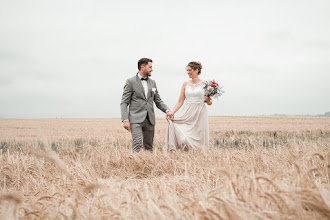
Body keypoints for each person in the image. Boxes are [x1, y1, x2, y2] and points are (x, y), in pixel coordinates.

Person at [120, 58, 173, 152]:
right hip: (135, 118)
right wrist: (125, 119)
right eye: (150, 67)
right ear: (142, 67)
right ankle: (132, 164)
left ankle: (148, 165)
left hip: (150, 119)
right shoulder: (130, 82)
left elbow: (158, 100)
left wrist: (167, 110)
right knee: (137, 143)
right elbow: (124, 102)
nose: (152, 69)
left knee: (149, 147)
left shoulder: (152, 82)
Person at [164, 61, 212, 151]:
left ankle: (199, 157)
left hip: (199, 112)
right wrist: (172, 112)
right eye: (187, 70)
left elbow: (209, 102)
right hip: (187, 112)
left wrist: (209, 97)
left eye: (190, 70)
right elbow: (180, 101)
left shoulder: (205, 84)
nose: (188, 72)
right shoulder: (185, 84)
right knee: (184, 138)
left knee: (199, 136)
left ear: (197, 70)